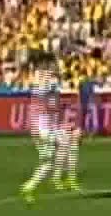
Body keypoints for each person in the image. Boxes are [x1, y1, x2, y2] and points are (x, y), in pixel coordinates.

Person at [20, 52, 80, 200]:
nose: (55, 67)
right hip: (43, 129)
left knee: (68, 141)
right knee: (53, 157)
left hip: (46, 128)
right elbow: (45, 100)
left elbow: (53, 106)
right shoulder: (42, 83)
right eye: (53, 65)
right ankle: (36, 185)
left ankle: (61, 178)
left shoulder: (48, 83)